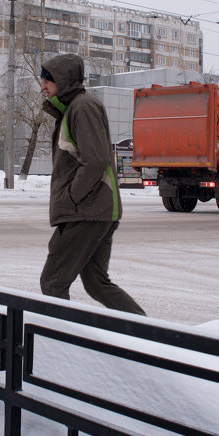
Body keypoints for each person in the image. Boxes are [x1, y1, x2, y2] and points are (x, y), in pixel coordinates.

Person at [37, 54, 146, 315]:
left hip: (86, 212)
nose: (43, 86)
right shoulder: (74, 108)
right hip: (95, 210)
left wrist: (72, 198)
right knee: (97, 284)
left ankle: (63, 344)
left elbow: (95, 160)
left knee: (53, 282)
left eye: (47, 80)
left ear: (62, 81)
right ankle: (150, 336)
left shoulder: (82, 106)